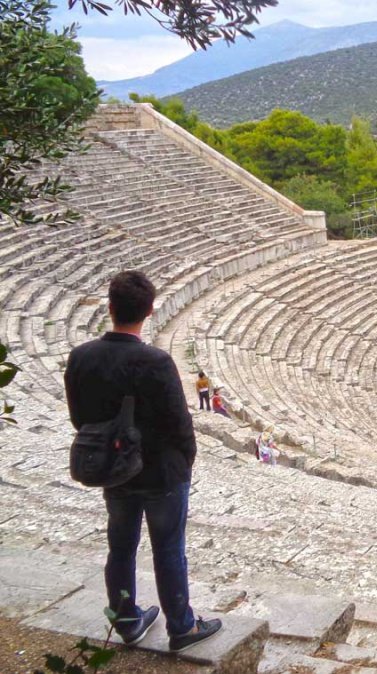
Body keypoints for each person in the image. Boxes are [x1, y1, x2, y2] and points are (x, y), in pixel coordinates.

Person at [63, 271, 222, 652]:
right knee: (168, 549)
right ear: (150, 311)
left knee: (120, 546)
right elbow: (178, 422)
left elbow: (79, 417)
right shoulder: (155, 361)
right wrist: (186, 459)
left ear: (110, 308)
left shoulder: (82, 357)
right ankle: (182, 627)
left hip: (114, 470)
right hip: (161, 473)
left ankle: (127, 620)